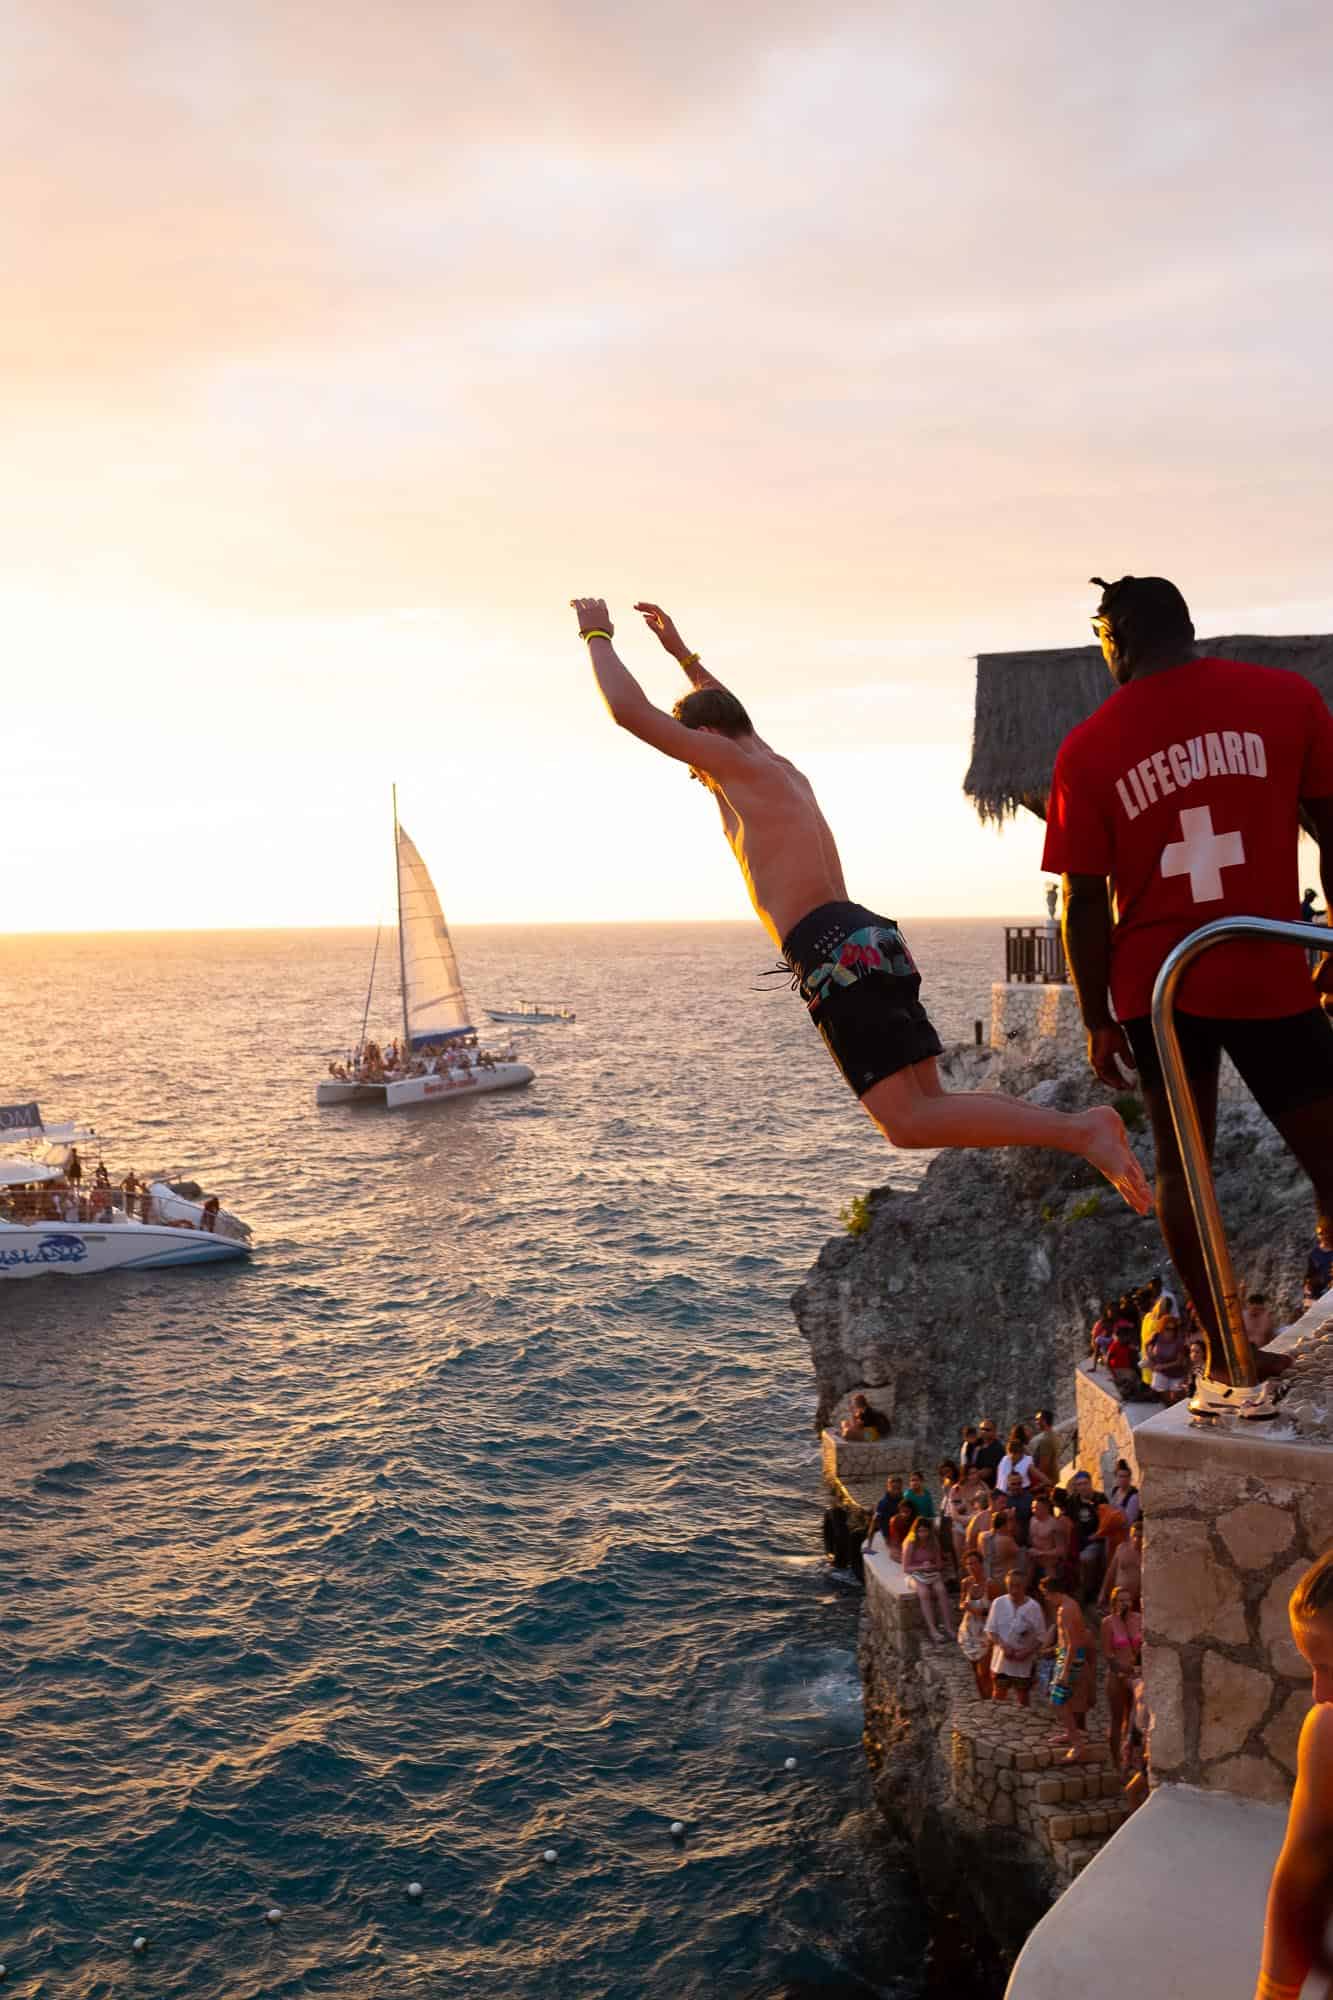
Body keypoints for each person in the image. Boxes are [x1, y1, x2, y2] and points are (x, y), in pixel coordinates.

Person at [574, 596, 1153, 1209]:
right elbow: (726, 708)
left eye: (693, 759)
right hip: (869, 937)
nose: (697, 773)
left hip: (829, 949)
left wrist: (596, 634)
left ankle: (1081, 1131)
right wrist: (683, 656)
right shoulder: (774, 762)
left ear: (708, 738)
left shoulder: (732, 763)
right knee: (930, 1107)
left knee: (905, 1125)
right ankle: (1083, 1130)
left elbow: (628, 712)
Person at [1045, 573, 1333, 1410]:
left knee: (1184, 1165)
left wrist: (1096, 1019)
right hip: (1267, 960)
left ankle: (1224, 1352)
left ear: (1116, 641)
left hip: (1159, 990)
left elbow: (1084, 900)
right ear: (1187, 626)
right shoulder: (1285, 700)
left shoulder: (1089, 745)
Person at [1253, 1547, 1333, 2000]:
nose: (1320, 1692)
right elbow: (1298, 1882)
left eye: (1330, 1668)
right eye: (1313, 1669)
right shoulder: (1329, 1735)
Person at [1040, 1577, 1096, 1758]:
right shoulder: (1067, 1606)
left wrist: (1065, 1670)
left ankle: (1077, 1744)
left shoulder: (1067, 1610)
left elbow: (1073, 1643)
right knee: (1064, 1701)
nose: (1046, 1599)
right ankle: (1070, 1733)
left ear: (1053, 1592)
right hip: (1064, 1656)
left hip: (1070, 1659)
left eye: (1046, 1595)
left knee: (1057, 1701)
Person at [985, 1568, 1047, 1705]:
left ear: (1025, 1586)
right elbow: (990, 1631)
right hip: (1001, 1662)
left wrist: (1027, 1651)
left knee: (1023, 1696)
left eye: (1017, 1586)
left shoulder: (1034, 1607)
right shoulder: (998, 1603)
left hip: (1023, 1663)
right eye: (1010, 1585)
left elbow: (1041, 1636)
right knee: (998, 1694)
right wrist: (1002, 1645)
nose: (1013, 1590)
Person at [1101, 1586, 1143, 1767]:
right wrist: (1124, 1669)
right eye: (1121, 1600)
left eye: (1128, 1599)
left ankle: (1129, 1759)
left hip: (1135, 1674)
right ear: (1114, 1603)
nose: (1125, 1603)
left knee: (1133, 1718)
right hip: (1117, 1674)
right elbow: (1108, 1654)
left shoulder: (1139, 1619)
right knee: (1117, 1719)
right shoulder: (1108, 1623)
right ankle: (1115, 1762)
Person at [901, 1519, 953, 1644]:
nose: (922, 1533)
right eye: (920, 1531)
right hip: (915, 1574)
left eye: (925, 1530)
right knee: (924, 1593)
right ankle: (933, 1629)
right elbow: (906, 1568)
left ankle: (949, 1627)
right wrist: (921, 1567)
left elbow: (940, 1564)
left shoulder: (933, 1542)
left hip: (932, 1572)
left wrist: (932, 1565)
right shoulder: (911, 1543)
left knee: (941, 1590)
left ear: (929, 1531)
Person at [957, 1551, 997, 1697]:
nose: (971, 1566)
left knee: (984, 1671)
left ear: (981, 1564)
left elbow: (995, 1611)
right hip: (969, 1630)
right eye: (968, 1564)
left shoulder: (990, 1585)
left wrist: (978, 1611)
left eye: (974, 1563)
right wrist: (965, 1606)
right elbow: (961, 1603)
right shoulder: (966, 1583)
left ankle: (991, 1699)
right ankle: (983, 1699)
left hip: (985, 1632)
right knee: (974, 1671)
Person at [1102, 1518, 1144, 1610]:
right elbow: (1110, 1573)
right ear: (1130, 1535)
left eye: (1140, 1536)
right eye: (1134, 1535)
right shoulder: (1121, 1549)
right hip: (1118, 1599)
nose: (1136, 1539)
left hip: (1137, 1602)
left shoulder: (1149, 1556)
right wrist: (1102, 1594)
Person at [1031, 1409, 1061, 1489]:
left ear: (1044, 1421)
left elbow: (1044, 1465)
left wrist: (1038, 1484)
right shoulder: (1053, 1435)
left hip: (1047, 1482)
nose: (1036, 1422)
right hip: (1053, 1478)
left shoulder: (1046, 1439)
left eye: (1038, 1419)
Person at [872, 1475, 906, 1545]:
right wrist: (869, 1545)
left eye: (898, 1488)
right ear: (888, 1487)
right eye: (893, 1488)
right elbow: (875, 1522)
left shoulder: (904, 1501)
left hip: (902, 1532)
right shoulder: (882, 1503)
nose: (896, 1491)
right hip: (888, 1535)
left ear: (901, 1487)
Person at [1306, 1218, 1333, 1305]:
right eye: (1320, 1233)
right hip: (1316, 1296)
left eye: (1326, 1232)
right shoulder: (1312, 1253)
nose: (1324, 1236)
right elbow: (1307, 1277)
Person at [971, 1420, 1004, 1489]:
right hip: (977, 1488)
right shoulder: (976, 1447)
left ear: (994, 1431)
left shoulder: (998, 1448)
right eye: (981, 1429)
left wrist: (972, 1475)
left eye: (987, 1429)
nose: (983, 1431)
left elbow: (988, 1471)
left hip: (990, 1489)